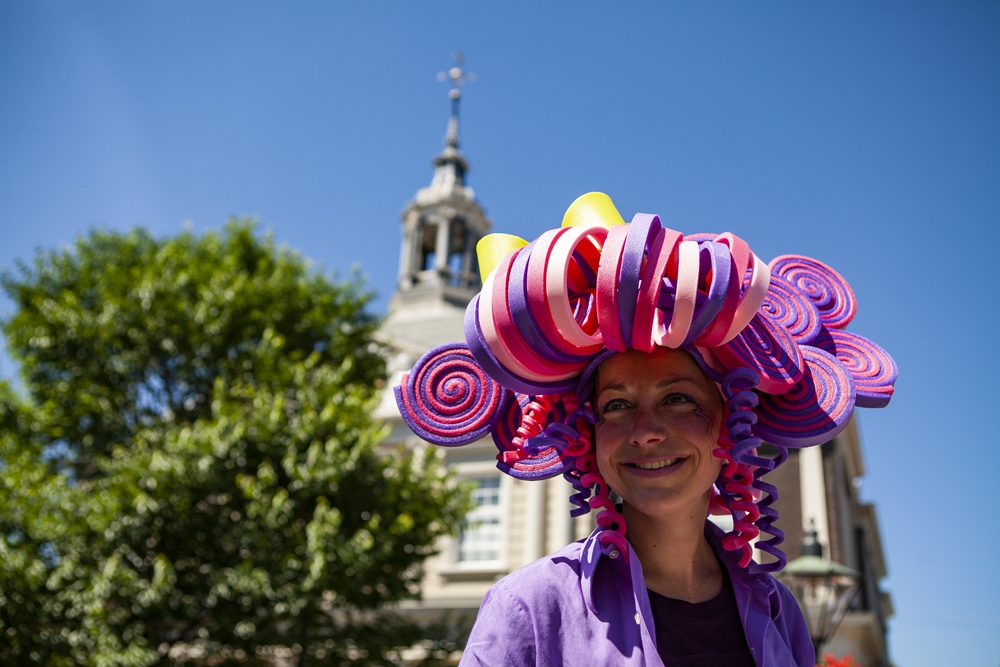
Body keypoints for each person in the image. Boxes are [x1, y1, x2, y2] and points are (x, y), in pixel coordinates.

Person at [394, 193, 897, 666]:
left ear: (732, 424)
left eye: (677, 399)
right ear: (585, 434)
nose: (645, 431)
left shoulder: (778, 613)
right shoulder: (531, 608)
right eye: (615, 405)